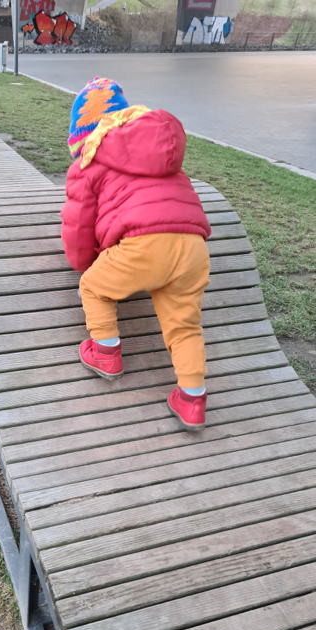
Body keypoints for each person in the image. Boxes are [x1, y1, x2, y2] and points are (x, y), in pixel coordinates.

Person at [61, 77, 211, 431]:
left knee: (94, 287)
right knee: (184, 326)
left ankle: (106, 353)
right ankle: (192, 400)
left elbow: (79, 223)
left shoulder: (91, 159)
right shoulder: (162, 153)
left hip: (142, 246)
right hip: (193, 248)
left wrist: (86, 264)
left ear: (83, 134)